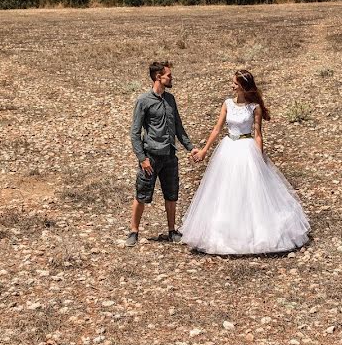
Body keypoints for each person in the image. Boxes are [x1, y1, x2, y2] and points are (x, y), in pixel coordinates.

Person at [181, 69, 310, 254]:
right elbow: (217, 129)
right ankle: (223, 234)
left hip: (246, 147)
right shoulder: (227, 104)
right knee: (225, 189)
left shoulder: (254, 107)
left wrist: (259, 157)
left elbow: (258, 134)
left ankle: (253, 234)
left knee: (250, 189)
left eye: (235, 83)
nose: (232, 85)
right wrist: (204, 151)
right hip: (228, 149)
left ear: (242, 86)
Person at [127, 61, 200, 247]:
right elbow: (135, 133)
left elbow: (178, 127)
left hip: (169, 156)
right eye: (168, 75)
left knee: (172, 194)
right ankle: (133, 231)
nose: (171, 78)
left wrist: (190, 147)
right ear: (158, 77)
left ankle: (171, 231)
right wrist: (142, 159)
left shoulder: (171, 100)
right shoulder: (143, 101)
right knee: (142, 195)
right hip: (150, 158)